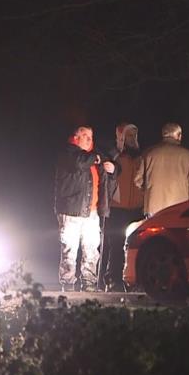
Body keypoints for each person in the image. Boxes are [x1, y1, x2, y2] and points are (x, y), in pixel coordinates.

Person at [54, 126, 116, 292]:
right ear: (76, 138)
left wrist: (112, 169)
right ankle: (68, 284)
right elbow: (79, 162)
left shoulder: (93, 157)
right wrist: (96, 158)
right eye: (85, 136)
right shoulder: (68, 153)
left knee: (91, 249)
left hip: (92, 212)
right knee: (69, 249)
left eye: (91, 137)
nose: (89, 140)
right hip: (71, 211)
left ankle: (89, 283)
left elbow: (113, 169)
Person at [103, 123, 144, 292]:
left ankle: (133, 279)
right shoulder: (114, 155)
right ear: (121, 137)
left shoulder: (141, 156)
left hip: (137, 207)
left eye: (134, 136)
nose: (131, 139)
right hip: (117, 207)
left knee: (136, 245)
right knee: (116, 245)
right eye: (128, 136)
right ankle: (113, 279)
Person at [135, 122, 189, 217]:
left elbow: (138, 181)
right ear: (179, 136)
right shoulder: (188, 155)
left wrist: (148, 193)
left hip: (153, 209)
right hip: (179, 210)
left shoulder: (148, 153)